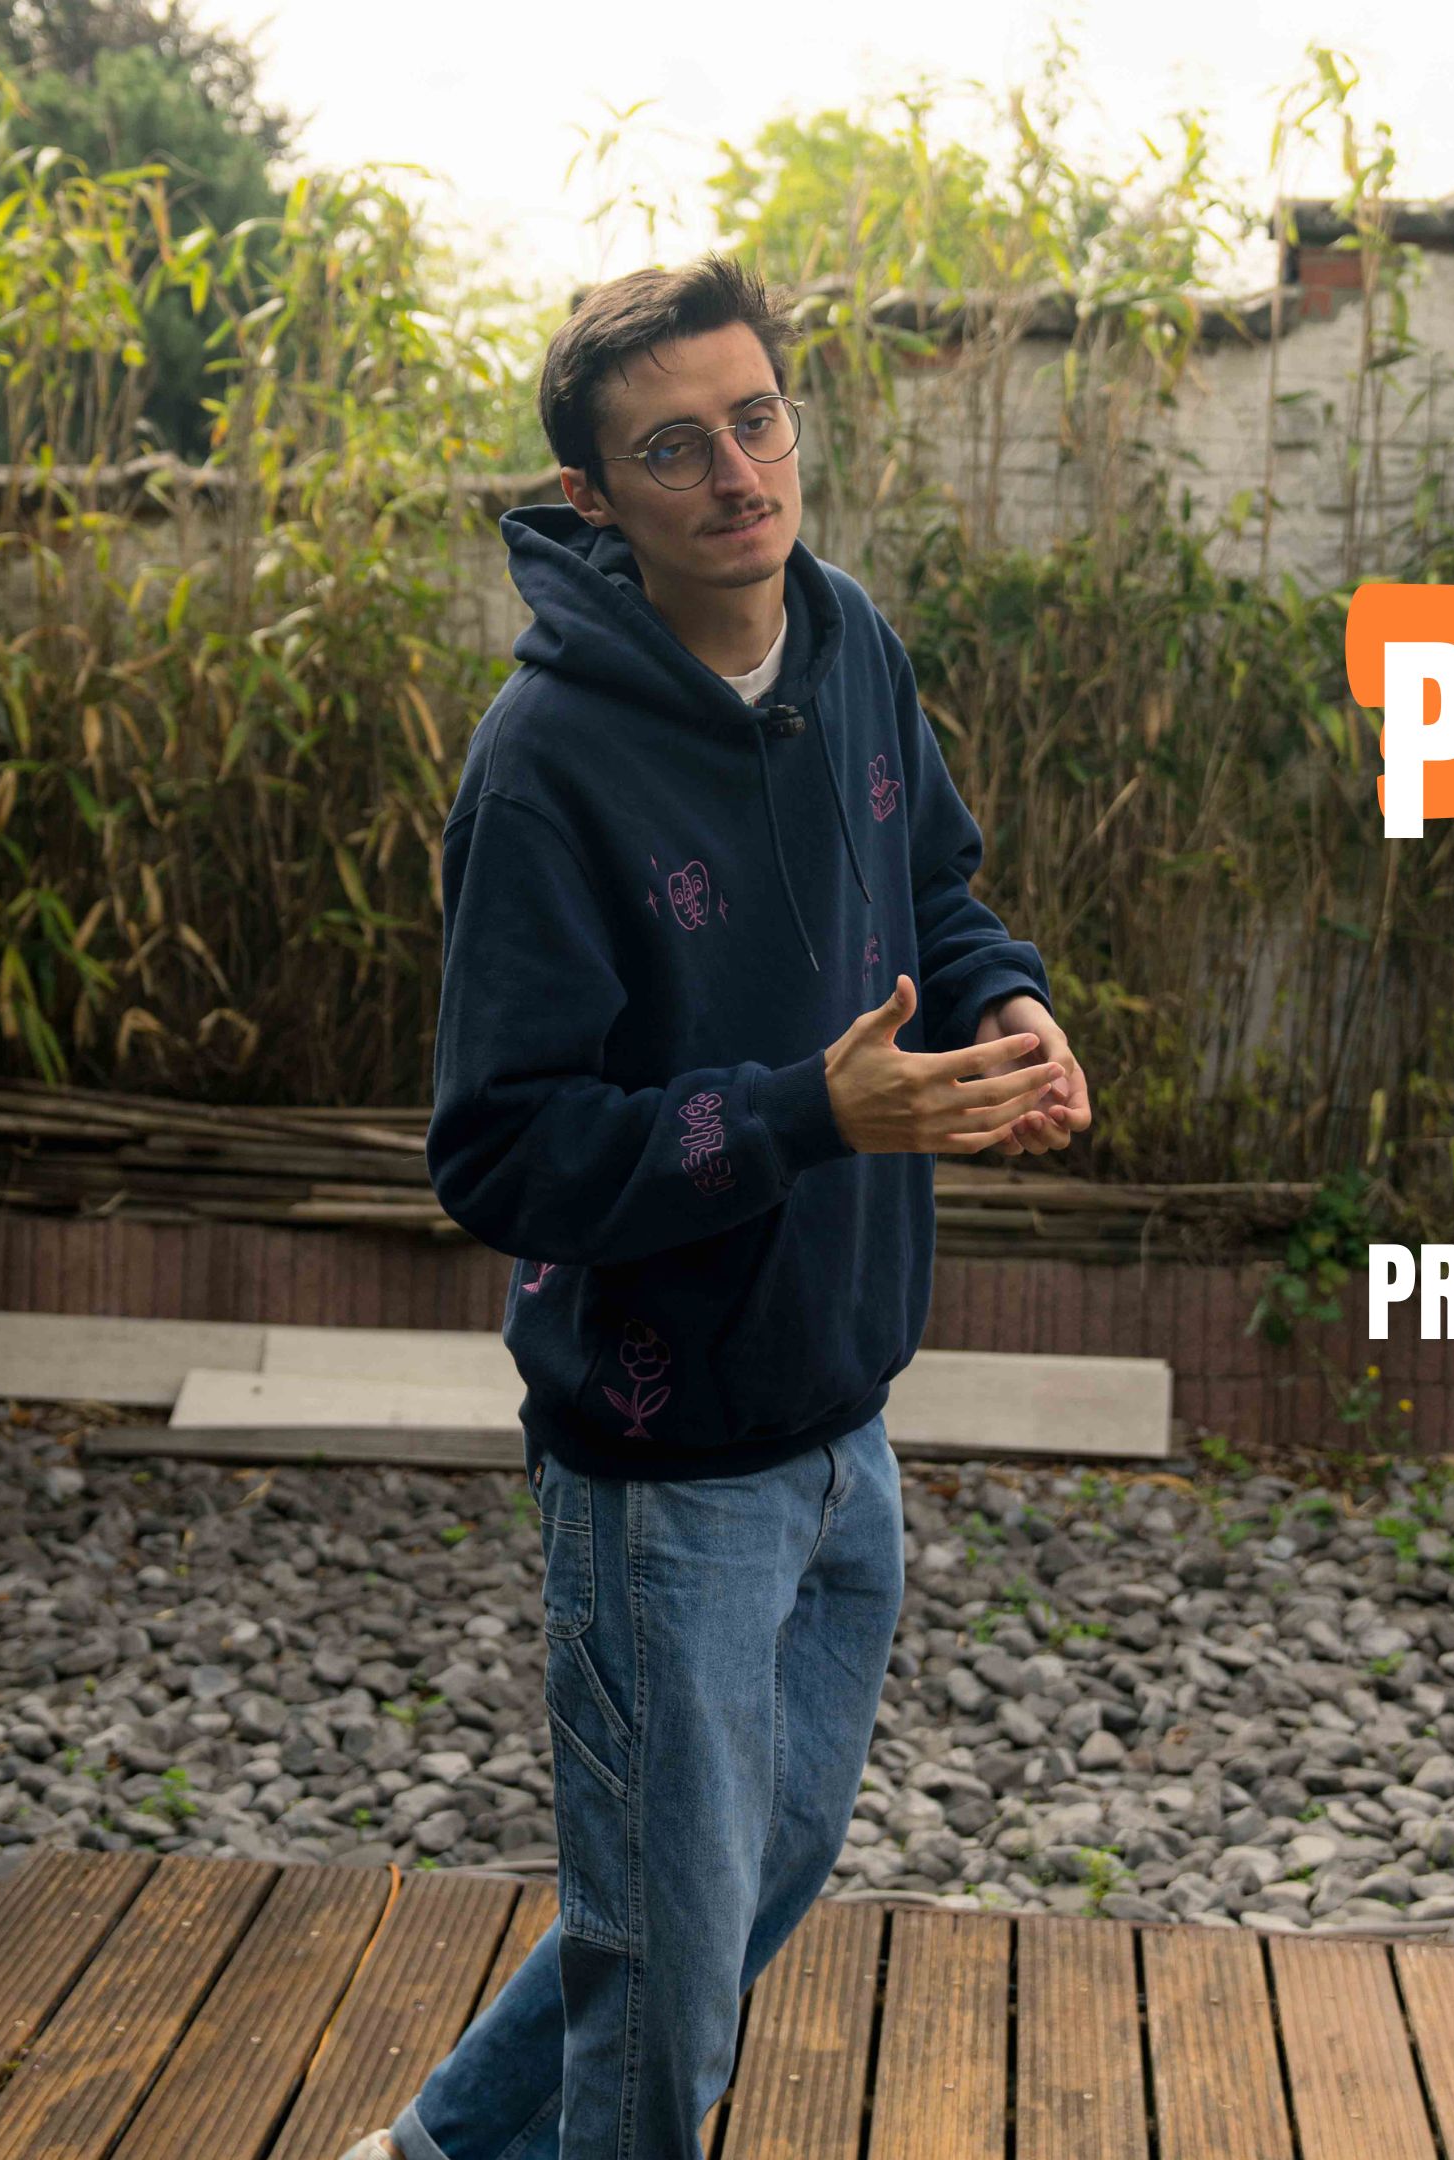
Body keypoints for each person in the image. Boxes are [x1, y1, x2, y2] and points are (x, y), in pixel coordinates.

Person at [359, 255, 1090, 2160]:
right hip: (662, 1464)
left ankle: (438, 2149)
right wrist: (803, 1116)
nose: (737, 474)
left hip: (843, 1414)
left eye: (755, 420)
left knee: (742, 1878)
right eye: (674, 449)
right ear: (594, 497)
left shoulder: (849, 641)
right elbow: (502, 1154)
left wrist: (1007, 1004)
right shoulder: (543, 767)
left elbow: (937, 888)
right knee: (667, 1988)